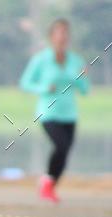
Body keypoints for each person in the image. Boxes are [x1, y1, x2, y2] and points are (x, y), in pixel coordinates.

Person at [20, 18, 90, 202]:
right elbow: (25, 83)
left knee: (65, 152)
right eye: (59, 32)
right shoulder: (41, 59)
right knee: (61, 146)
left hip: (69, 114)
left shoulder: (75, 60)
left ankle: (48, 185)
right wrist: (44, 87)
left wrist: (82, 77)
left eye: (66, 32)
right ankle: (47, 184)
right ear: (52, 36)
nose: (63, 36)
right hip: (48, 113)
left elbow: (84, 90)